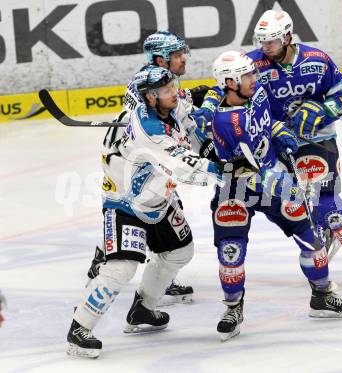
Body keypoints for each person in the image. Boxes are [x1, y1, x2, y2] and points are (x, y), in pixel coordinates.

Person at [66, 66, 251, 358]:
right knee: (121, 268)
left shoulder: (166, 107)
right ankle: (79, 330)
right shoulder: (150, 132)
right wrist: (226, 169)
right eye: (167, 90)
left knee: (180, 250)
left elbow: (187, 108)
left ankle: (143, 310)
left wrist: (205, 95)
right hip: (126, 203)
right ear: (151, 98)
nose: (175, 92)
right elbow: (187, 168)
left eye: (174, 86)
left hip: (158, 198)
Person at [209, 51, 342, 341]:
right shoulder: (226, 122)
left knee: (312, 240)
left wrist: (279, 132)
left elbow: (266, 121)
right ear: (230, 82)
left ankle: (322, 296)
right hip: (237, 187)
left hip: (269, 177)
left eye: (253, 73)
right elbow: (249, 168)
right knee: (231, 252)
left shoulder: (256, 90)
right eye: (247, 76)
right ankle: (233, 306)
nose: (255, 79)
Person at [248, 9, 342, 287]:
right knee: (292, 205)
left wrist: (323, 110)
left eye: (271, 41)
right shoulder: (251, 65)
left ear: (287, 36)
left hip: (315, 140)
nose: (265, 47)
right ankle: (320, 233)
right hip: (273, 145)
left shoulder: (317, 61)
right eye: (261, 41)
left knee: (328, 204)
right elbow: (233, 96)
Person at [88, 31, 219, 305]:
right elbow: (156, 126)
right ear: (161, 58)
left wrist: (189, 99)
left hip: (155, 162)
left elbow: (178, 115)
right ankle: (103, 261)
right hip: (139, 166)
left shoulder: (163, 80)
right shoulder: (144, 84)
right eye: (177, 55)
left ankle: (143, 272)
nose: (183, 58)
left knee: (159, 213)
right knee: (147, 212)